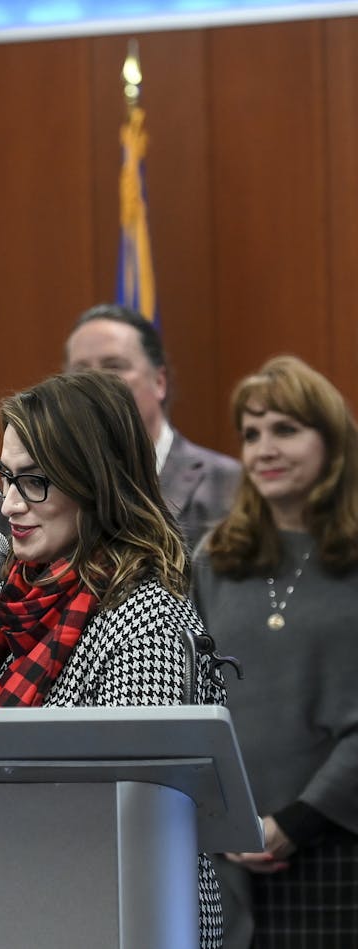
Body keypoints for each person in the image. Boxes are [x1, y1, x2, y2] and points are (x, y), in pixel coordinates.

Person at [0, 370, 227, 948]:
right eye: (4, 477)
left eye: (35, 482)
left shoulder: (146, 618)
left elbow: (133, 813)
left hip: (113, 916)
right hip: (4, 902)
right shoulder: (2, 600)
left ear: (96, 482)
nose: (8, 504)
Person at [191, 354, 358, 947]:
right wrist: (230, 822)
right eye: (251, 433)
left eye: (285, 429)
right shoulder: (213, 559)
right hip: (228, 854)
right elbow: (192, 702)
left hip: (339, 849)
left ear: (333, 442)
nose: (263, 448)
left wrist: (293, 824)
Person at [65, 303, 242, 548]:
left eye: (114, 366)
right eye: (80, 371)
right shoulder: (38, 481)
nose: (95, 381)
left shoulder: (225, 481)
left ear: (159, 382)